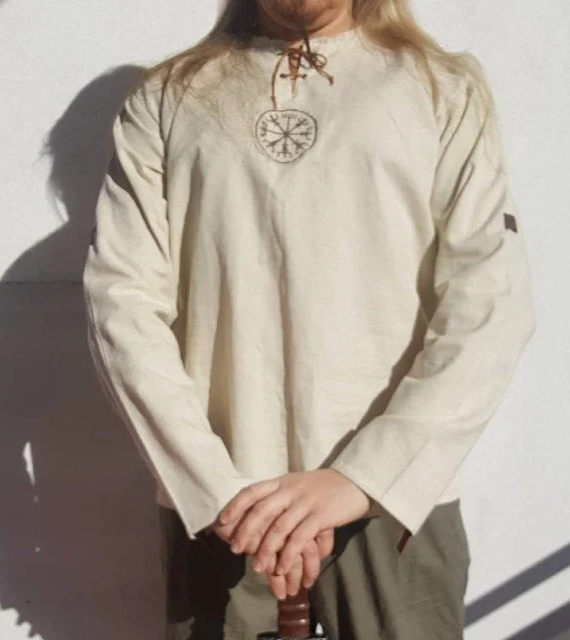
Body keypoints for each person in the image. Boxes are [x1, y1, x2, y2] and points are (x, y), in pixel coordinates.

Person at [82, 0, 536, 638]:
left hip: (390, 501)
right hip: (225, 507)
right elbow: (121, 303)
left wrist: (365, 476)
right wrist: (212, 487)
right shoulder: (169, 97)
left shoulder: (441, 89)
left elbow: (488, 299)